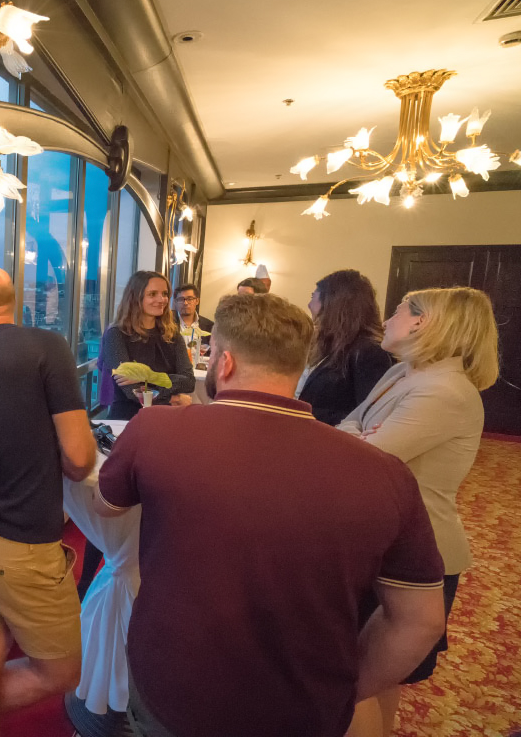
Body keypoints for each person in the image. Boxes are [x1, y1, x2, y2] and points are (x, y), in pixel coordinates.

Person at [92, 293, 447, 737]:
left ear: (223, 362)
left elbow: (106, 508)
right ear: (298, 366)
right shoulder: (387, 474)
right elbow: (421, 620)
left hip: (174, 688)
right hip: (304, 706)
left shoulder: (153, 429)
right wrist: (345, 691)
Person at [340, 287, 500, 737]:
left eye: (397, 311)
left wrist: (361, 437)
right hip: (383, 537)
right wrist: (361, 434)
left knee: (358, 681)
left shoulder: (444, 390)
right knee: (369, 679)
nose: (387, 319)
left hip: (415, 551)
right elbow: (350, 425)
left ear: (422, 322)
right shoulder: (404, 373)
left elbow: (364, 457)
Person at [0, 266, 97, 737]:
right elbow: (79, 459)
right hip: (20, 547)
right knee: (62, 671)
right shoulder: (46, 346)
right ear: (14, 302)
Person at [297, 269, 395, 426]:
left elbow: (367, 415)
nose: (309, 305)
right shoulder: (334, 346)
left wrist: (308, 413)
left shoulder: (369, 352)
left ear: (332, 302)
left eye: (313, 296)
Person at [99, 271, 194, 420]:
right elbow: (132, 392)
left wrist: (148, 377)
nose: (161, 299)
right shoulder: (116, 335)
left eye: (164, 294)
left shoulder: (172, 334)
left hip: (167, 418)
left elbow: (188, 382)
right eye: (152, 294)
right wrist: (173, 398)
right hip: (128, 419)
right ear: (135, 297)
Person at [172, 283, 212, 350]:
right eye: (181, 299)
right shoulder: (168, 323)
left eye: (189, 299)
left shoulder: (209, 326)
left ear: (197, 301)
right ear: (175, 302)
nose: (185, 303)